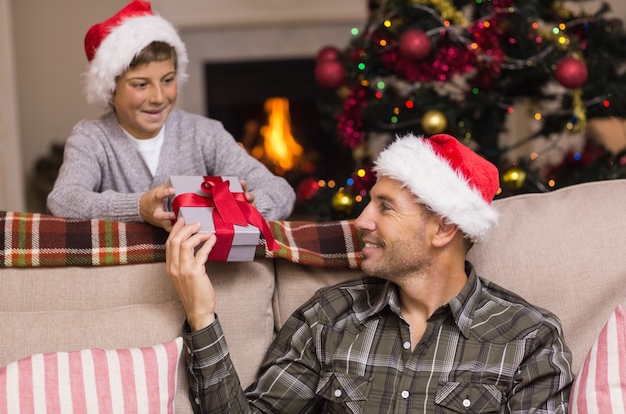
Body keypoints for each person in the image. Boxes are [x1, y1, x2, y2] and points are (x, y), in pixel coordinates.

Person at [166, 133, 573, 413]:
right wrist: (201, 314)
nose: (361, 221)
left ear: (444, 228)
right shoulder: (329, 317)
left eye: (386, 207)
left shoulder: (528, 339)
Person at [47, 0, 295, 230]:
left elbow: (280, 191)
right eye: (140, 85)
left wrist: (243, 210)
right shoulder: (91, 138)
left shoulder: (204, 133)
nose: (158, 97)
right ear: (111, 89)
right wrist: (137, 207)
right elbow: (63, 200)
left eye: (167, 80)